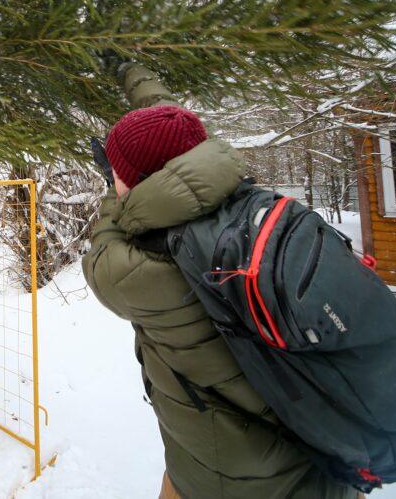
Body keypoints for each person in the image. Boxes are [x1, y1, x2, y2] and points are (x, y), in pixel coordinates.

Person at [82, 63, 359, 499]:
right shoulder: (251, 206)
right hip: (333, 464)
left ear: (135, 182)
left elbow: (102, 254)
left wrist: (111, 189)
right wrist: (131, 71)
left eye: (121, 175)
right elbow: (170, 122)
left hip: (227, 483)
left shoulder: (144, 271)